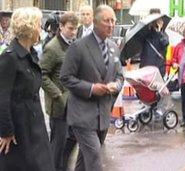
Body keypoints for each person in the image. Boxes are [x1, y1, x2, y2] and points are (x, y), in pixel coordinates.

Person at [60, 5, 123, 171]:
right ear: (95, 22)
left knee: (84, 159)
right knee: (94, 157)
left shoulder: (114, 48)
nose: (111, 24)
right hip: (82, 114)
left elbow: (120, 76)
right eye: (106, 21)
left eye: (113, 21)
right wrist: (91, 88)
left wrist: (116, 85)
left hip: (102, 114)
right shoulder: (78, 47)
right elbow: (65, 77)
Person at [0, 7, 55, 171]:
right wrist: (6, 132)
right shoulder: (10, 57)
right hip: (19, 131)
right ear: (30, 28)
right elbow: (2, 98)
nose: (41, 29)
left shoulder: (30, 54)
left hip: (35, 126)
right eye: (39, 25)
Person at [40, 12, 78, 171]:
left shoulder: (74, 44)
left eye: (76, 29)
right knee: (58, 144)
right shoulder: (52, 47)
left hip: (74, 104)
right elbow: (41, 75)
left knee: (73, 139)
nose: (73, 32)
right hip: (59, 106)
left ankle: (63, 167)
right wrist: (58, 94)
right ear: (61, 27)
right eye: (70, 28)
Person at [139, 9, 169, 77]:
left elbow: (165, 43)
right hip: (145, 69)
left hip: (158, 70)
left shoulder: (163, 34)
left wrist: (159, 30)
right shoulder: (145, 34)